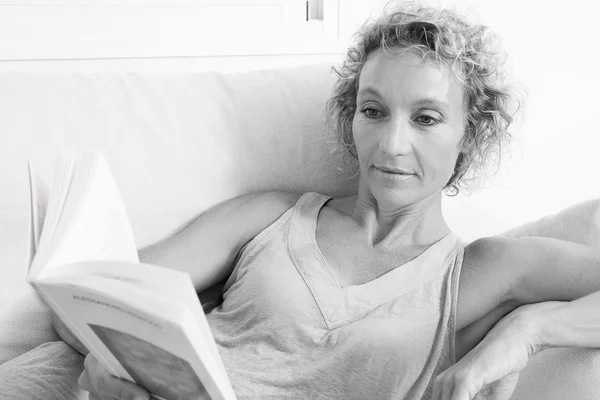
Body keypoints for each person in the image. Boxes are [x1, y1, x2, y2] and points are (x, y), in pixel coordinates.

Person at [63, 2, 600, 400]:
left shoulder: (483, 268)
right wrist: (117, 371)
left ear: (471, 134)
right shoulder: (271, 215)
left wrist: (527, 334)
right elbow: (85, 308)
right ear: (352, 120)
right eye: (373, 110)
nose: (391, 144)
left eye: (427, 118)